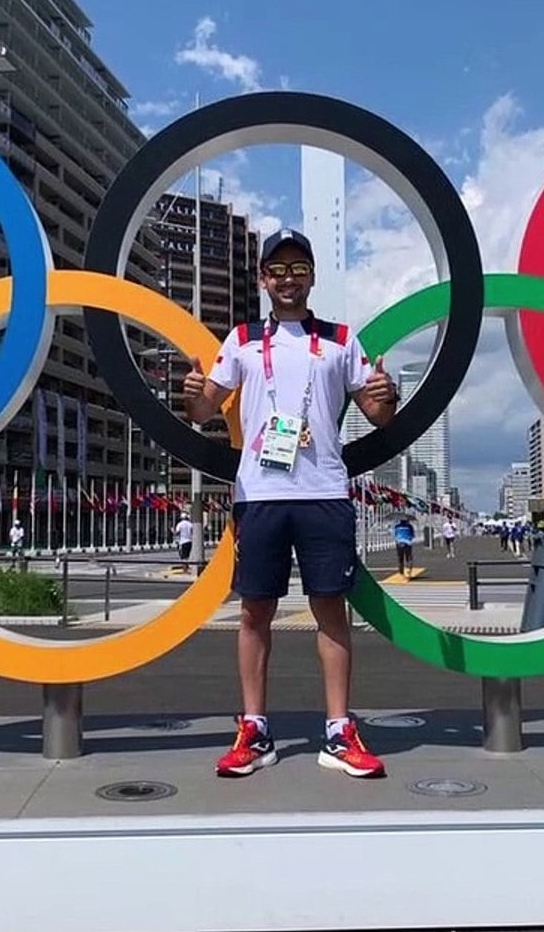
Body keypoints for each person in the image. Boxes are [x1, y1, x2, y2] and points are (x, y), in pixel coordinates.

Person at [182, 228, 398, 780]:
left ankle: (339, 730)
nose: (287, 279)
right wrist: (193, 394)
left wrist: (386, 395)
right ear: (262, 278)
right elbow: (203, 412)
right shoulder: (242, 339)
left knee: (331, 610)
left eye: (298, 269)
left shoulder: (341, 340)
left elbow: (379, 416)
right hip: (260, 493)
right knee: (255, 612)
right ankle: (254, 728)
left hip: (323, 490)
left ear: (312, 277)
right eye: (277, 270)